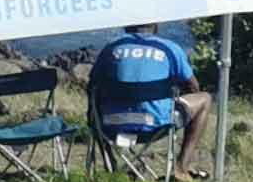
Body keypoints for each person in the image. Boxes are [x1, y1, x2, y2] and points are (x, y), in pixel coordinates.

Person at [90, 22, 211, 169]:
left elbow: (92, 85)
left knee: (93, 106)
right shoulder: (169, 49)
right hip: (156, 126)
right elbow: (193, 87)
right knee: (205, 98)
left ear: (127, 27)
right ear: (156, 26)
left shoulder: (111, 47)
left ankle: (109, 162)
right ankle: (181, 167)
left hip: (110, 126)